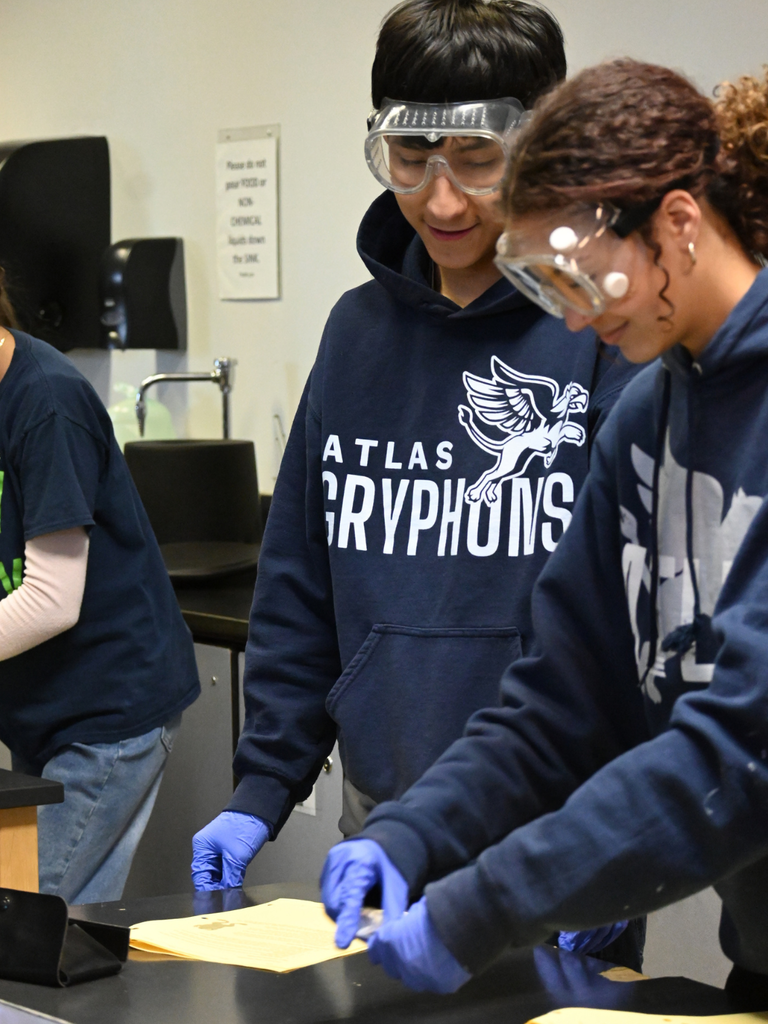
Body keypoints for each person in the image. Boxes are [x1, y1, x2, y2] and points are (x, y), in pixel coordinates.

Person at [192, 0, 640, 964]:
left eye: (478, 159)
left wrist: (610, 847)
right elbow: (302, 586)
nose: (441, 201)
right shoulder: (355, 336)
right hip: (381, 822)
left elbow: (636, 622)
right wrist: (260, 791)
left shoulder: (609, 335)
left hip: (556, 829)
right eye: (410, 158)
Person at [319, 58, 768, 1006]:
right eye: (538, 278)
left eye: (576, 269)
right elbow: (561, 699)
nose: (568, 309)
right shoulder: (648, 417)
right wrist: (412, 832)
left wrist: (477, 909)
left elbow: (738, 751)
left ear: (677, 225)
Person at [0, 236, 200, 905]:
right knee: (28, 920)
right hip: (37, 707)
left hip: (106, 712)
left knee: (36, 919)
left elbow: (51, 600)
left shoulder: (47, 402)